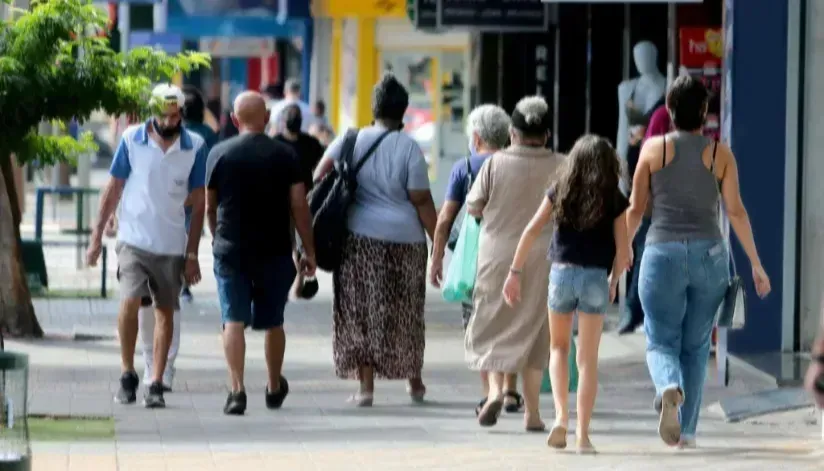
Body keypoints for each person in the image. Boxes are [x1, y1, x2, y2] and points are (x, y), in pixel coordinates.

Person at [627, 76, 771, 448]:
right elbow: (735, 212)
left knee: (660, 341)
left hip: (661, 254)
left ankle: (668, 386)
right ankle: (687, 433)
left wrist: (619, 255)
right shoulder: (720, 154)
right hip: (710, 256)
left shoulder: (652, 150)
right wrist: (756, 264)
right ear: (705, 113)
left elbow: (636, 209)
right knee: (695, 347)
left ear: (669, 110)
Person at [312, 73, 437, 406]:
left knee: (360, 310)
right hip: (407, 240)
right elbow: (421, 200)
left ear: (375, 107)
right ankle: (415, 383)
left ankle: (366, 389)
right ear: (403, 112)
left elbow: (319, 175)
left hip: (359, 239)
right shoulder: (408, 147)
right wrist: (438, 243)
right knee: (406, 309)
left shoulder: (350, 140)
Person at [503, 135, 630, 453]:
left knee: (558, 349)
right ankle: (583, 436)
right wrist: (613, 280)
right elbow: (624, 252)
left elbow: (532, 228)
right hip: (595, 278)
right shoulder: (613, 197)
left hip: (561, 273)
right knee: (588, 361)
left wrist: (514, 272)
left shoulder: (561, 189)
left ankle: (561, 418)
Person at [87, 83, 208, 409]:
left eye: (174, 115)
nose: (168, 121)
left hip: (170, 243)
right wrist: (97, 235)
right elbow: (113, 188)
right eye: (162, 115)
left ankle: (156, 379)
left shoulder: (194, 145)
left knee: (165, 312)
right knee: (129, 301)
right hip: (133, 239)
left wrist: (193, 254)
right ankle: (128, 372)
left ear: (181, 112)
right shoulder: (131, 139)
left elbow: (199, 204)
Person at [205, 91, 317, 416]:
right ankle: (272, 385)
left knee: (233, 319)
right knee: (273, 321)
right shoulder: (286, 155)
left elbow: (210, 206)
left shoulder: (219, 154)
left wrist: (216, 236)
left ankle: (237, 390)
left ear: (235, 120)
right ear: (267, 117)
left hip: (230, 249)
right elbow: (299, 205)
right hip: (274, 250)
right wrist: (308, 250)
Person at [464, 96, 563, 431]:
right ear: (547, 135)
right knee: (537, 332)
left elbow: (473, 207)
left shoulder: (494, 163)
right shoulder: (563, 164)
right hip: (545, 257)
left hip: (497, 255)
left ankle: (494, 391)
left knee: (493, 324)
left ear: (512, 133)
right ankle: (532, 413)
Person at [429, 104, 523, 416]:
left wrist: (437, 257)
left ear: (477, 136)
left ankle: (489, 393)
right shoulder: (517, 164)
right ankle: (510, 390)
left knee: (479, 324)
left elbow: (445, 219)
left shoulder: (464, 168)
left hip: (476, 262)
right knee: (512, 321)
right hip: (514, 258)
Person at [619, 104, 671, 335]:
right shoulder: (662, 122)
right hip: (658, 205)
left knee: (645, 256)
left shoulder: (659, 125)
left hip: (654, 204)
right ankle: (638, 311)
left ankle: (637, 311)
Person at [273, 104, 324, 191]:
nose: (294, 119)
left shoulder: (311, 143)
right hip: (281, 192)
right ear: (284, 120)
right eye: (291, 116)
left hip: (306, 192)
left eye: (297, 116)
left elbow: (321, 164)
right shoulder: (274, 143)